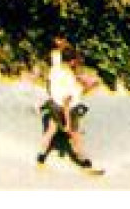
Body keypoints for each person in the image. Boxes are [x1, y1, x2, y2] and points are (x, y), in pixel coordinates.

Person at [38, 39, 95, 169]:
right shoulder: (69, 80)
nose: (78, 64)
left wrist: (62, 44)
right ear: (72, 62)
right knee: (75, 134)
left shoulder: (56, 65)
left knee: (51, 129)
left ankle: (40, 157)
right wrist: (68, 124)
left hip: (54, 103)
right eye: (76, 61)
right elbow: (67, 103)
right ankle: (83, 160)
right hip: (67, 108)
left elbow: (56, 52)